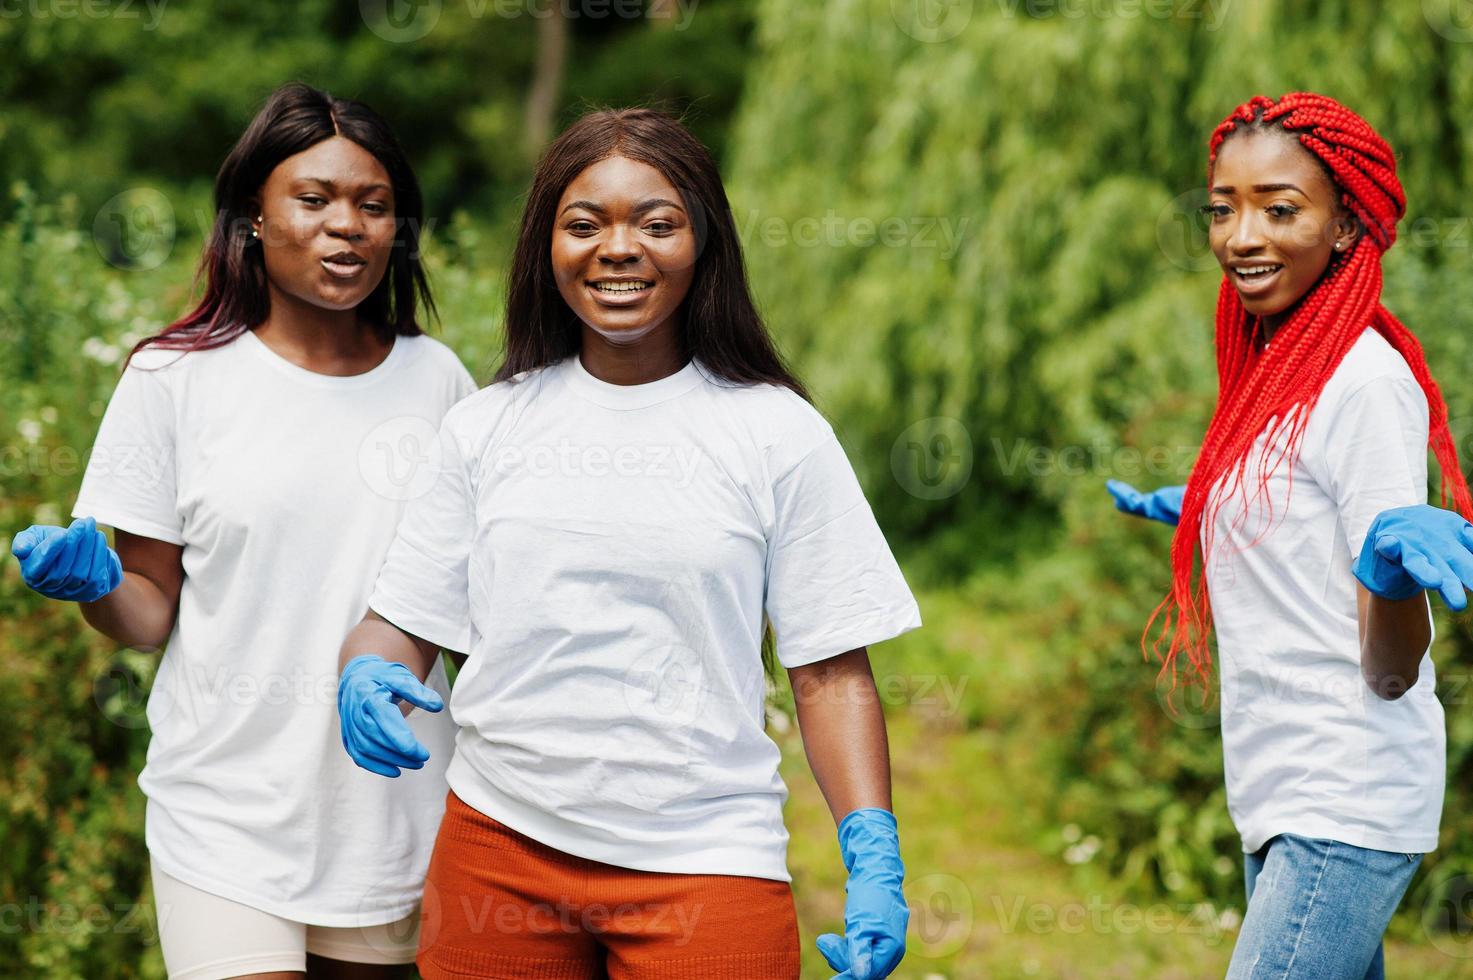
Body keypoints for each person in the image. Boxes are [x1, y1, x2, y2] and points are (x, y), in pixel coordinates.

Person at [335, 107, 920, 980]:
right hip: (499, 847)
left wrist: (871, 851)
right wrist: (364, 672)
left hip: (705, 857)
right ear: (546, 246)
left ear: (703, 244)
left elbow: (830, 671)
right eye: (584, 224)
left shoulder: (776, 433)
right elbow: (403, 622)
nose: (618, 248)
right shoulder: (485, 427)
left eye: (657, 222)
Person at [11, 82, 474, 980]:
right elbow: (148, 613)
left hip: (392, 811)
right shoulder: (174, 379)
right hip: (222, 814)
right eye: (314, 199)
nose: (348, 226)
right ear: (253, 218)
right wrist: (98, 584)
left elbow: (465, 602)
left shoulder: (439, 382)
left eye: (373, 206)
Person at [1108, 92, 1473, 979]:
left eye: (1279, 208)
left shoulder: (1360, 383)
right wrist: (1213, 508)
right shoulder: (1277, 368)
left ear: (1346, 224)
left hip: (1339, 794)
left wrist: (1389, 583)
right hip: (1276, 787)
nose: (1240, 236)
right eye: (1221, 208)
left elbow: (1389, 674)